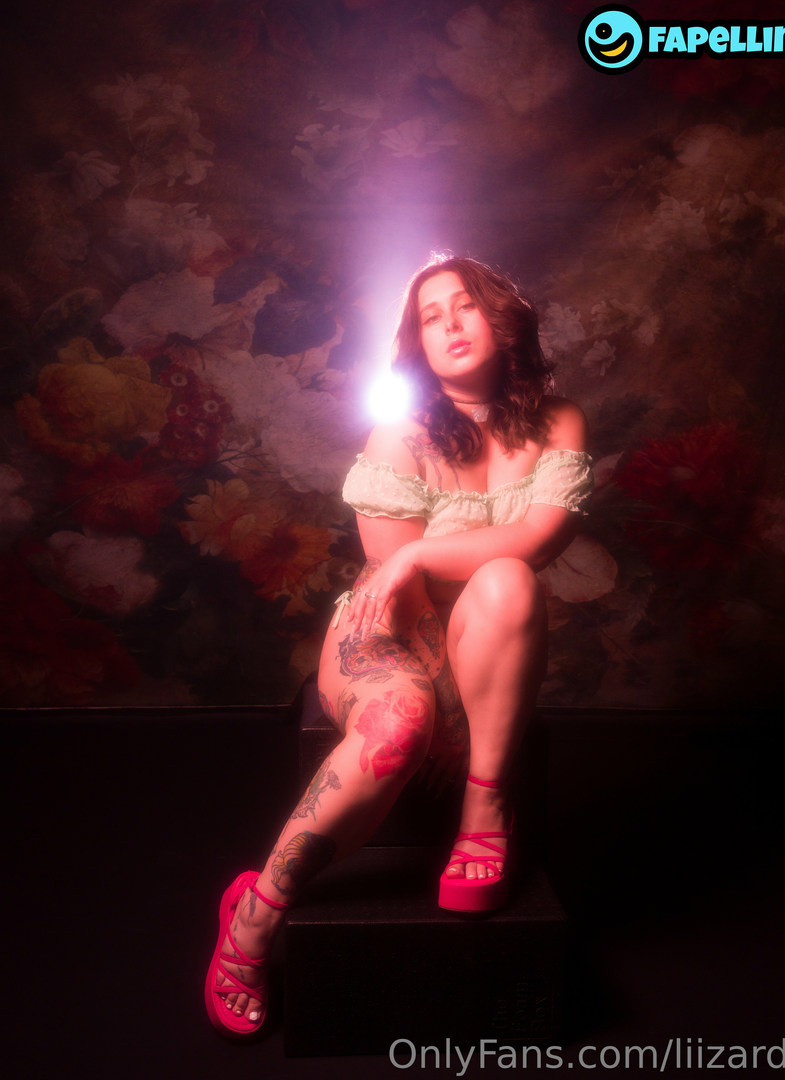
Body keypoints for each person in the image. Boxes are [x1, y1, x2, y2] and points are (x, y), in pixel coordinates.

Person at [205, 254, 593, 1038]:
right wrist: (446, 705)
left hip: (488, 631)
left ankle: (485, 810)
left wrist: (424, 553)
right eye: (430, 316)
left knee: (511, 578)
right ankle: (253, 913)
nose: (449, 324)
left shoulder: (559, 421)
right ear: (418, 344)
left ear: (502, 317)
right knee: (400, 724)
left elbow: (538, 538)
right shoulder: (401, 433)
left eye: (465, 306)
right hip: (387, 629)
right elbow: (398, 591)